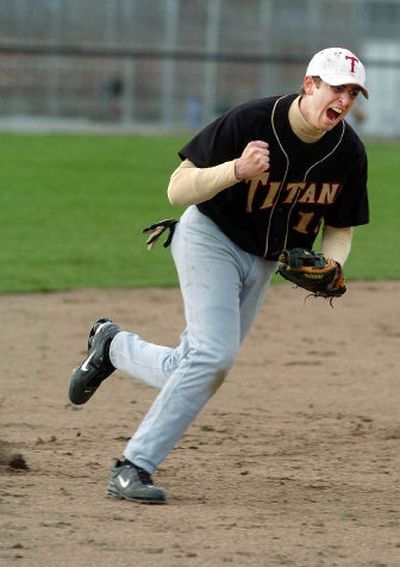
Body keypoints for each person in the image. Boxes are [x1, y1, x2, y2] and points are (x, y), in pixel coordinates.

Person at [68, 47, 369, 504]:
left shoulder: (348, 152)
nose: (345, 101)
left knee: (189, 365)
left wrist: (334, 264)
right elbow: (176, 188)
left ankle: (111, 346)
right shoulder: (251, 121)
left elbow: (340, 228)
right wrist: (236, 170)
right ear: (310, 85)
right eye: (337, 88)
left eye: (353, 93)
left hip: (265, 260)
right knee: (213, 357)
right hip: (210, 239)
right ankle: (132, 466)